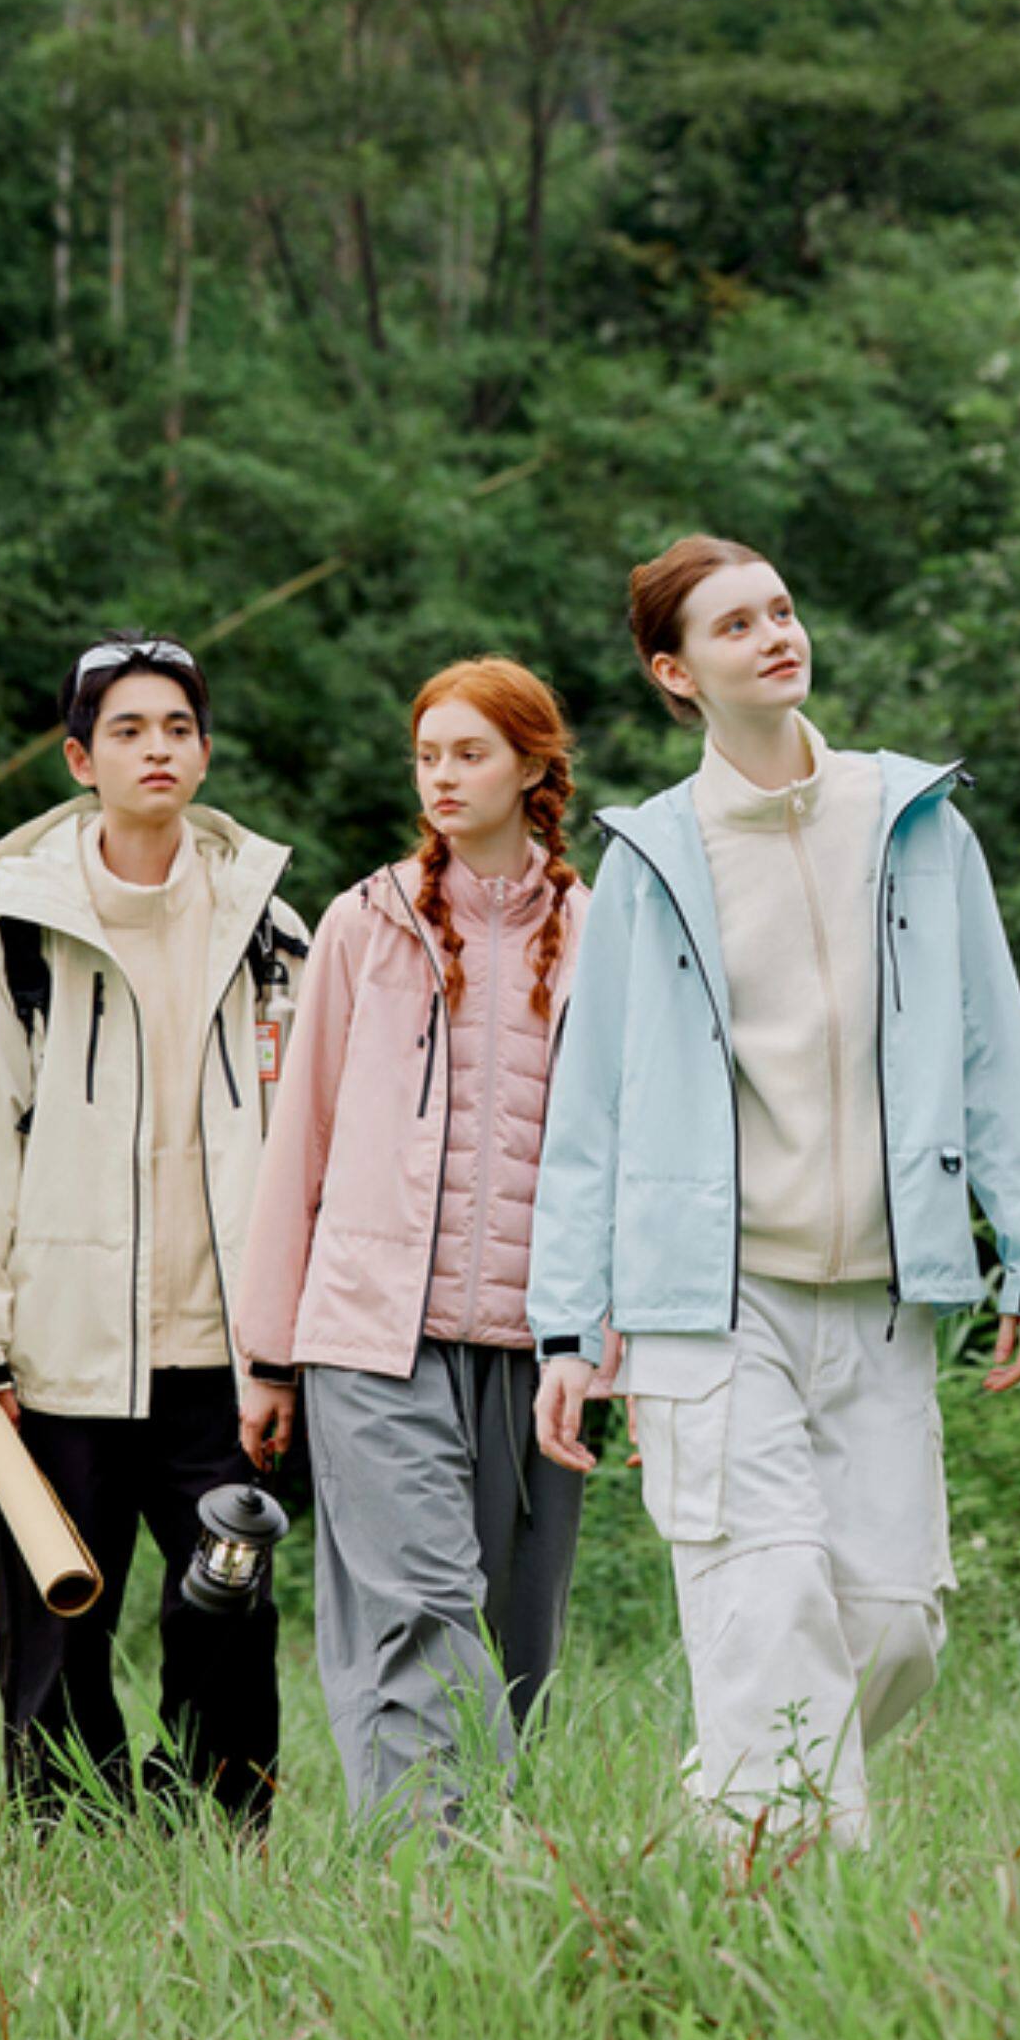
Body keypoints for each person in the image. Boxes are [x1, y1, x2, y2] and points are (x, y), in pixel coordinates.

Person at [527, 535, 1020, 1851]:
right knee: (765, 1608)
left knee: (893, 1626)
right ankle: (791, 1927)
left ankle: (725, 1806)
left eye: (780, 609)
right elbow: (590, 1107)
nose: (776, 634)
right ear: (675, 673)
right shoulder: (653, 857)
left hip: (885, 1292)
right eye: (734, 625)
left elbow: (991, 1045)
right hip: (710, 1304)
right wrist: (567, 1323)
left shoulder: (915, 822)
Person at [0, 635, 310, 1831]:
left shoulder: (272, 931)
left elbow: (306, 1150)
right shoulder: (11, 937)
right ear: (80, 759)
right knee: (57, 1630)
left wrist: (287, 1346)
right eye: (128, 730)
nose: (156, 749)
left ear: (205, 752)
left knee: (226, 1611)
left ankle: (222, 1835)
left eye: (177, 728)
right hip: (55, 1358)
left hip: (222, 1360)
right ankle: (73, 1846)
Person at [236, 659, 592, 1832]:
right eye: (427, 754)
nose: (441, 776)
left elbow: (627, 1152)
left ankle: (478, 1863)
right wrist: (268, 1351)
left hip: (534, 1344)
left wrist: (612, 1340)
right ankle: (437, 1876)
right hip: (369, 1338)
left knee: (516, 1640)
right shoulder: (364, 922)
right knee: (420, 1609)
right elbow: (301, 1138)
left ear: (532, 767)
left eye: (469, 753)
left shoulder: (599, 932)